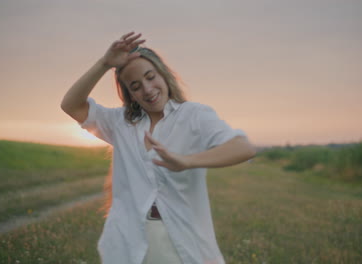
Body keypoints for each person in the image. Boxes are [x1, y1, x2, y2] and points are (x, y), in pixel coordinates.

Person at [61, 32, 256, 264]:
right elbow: (70, 105)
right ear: (130, 95)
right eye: (136, 86)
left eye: (150, 77)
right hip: (129, 240)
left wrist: (188, 161)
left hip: (181, 239)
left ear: (163, 75)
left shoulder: (194, 115)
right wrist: (104, 64)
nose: (147, 89)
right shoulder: (121, 123)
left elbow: (243, 147)